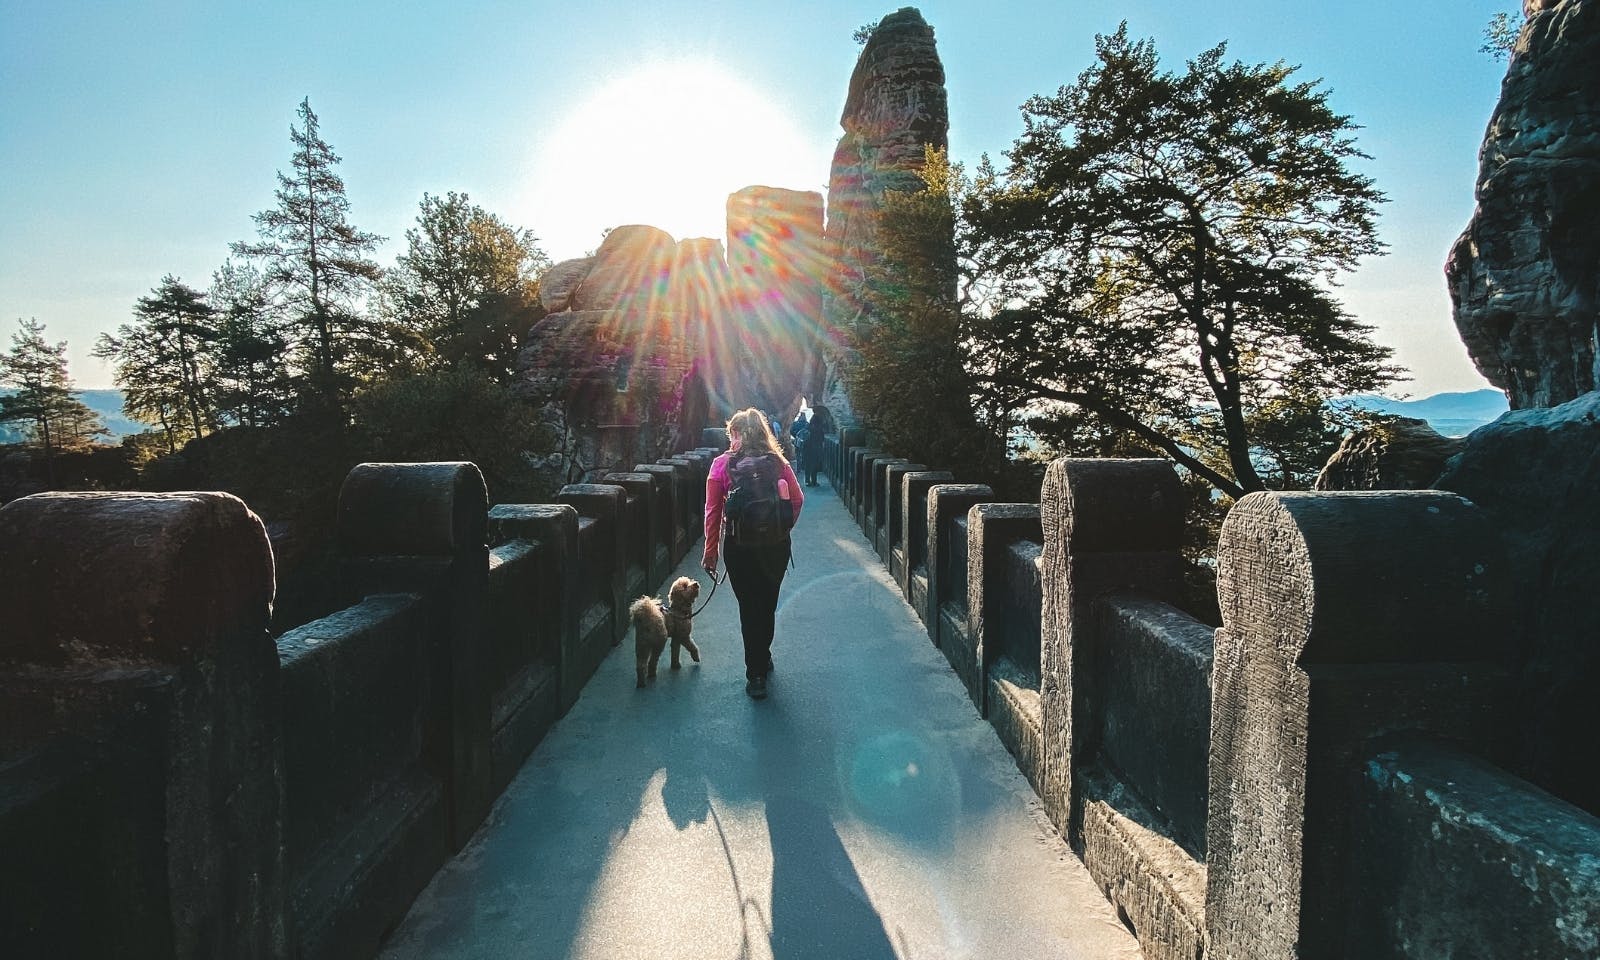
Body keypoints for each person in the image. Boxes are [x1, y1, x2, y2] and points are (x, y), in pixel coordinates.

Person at [702, 408, 804, 700]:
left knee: (749, 607)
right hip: (775, 547)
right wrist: (781, 529)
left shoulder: (722, 465)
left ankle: (755, 674)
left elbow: (712, 512)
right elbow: (797, 500)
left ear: (734, 433)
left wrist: (710, 552)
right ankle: (763, 654)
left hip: (739, 547)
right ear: (764, 432)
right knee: (767, 603)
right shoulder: (779, 464)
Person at [801, 404, 833, 487]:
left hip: (807, 447)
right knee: (814, 464)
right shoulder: (817, 421)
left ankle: (808, 481)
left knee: (808, 464)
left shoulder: (810, 424)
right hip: (814, 447)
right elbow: (820, 434)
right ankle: (814, 481)